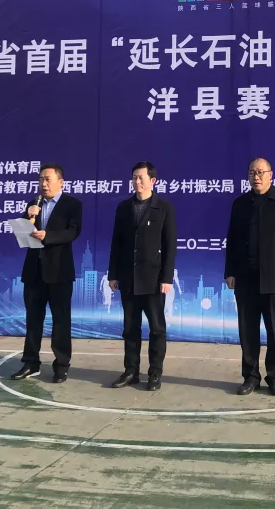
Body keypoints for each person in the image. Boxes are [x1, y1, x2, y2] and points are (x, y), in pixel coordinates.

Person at [224, 157, 275, 396]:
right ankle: (251, 376)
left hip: (274, 278)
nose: (256, 177)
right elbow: (232, 240)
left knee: (274, 331)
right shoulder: (240, 204)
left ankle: (274, 377)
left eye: (260, 172)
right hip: (245, 278)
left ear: (270, 175)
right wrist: (230, 271)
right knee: (248, 331)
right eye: (252, 172)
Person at [8, 163, 83, 385]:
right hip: (34, 271)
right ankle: (30, 363)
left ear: (61, 182)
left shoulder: (72, 204)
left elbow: (73, 231)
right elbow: (24, 231)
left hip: (59, 272)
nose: (43, 183)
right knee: (33, 320)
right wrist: (27, 216)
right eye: (41, 179)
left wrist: (47, 236)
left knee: (61, 321)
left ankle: (61, 365)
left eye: (48, 179)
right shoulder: (34, 203)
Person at [107, 162, 177, 391]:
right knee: (130, 328)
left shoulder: (164, 208)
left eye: (141, 178)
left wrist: (166, 278)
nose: (137, 182)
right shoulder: (124, 207)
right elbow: (116, 243)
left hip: (153, 279)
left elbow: (170, 246)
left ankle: (155, 373)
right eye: (134, 178)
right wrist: (113, 274)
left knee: (157, 329)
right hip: (129, 278)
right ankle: (131, 371)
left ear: (152, 181)